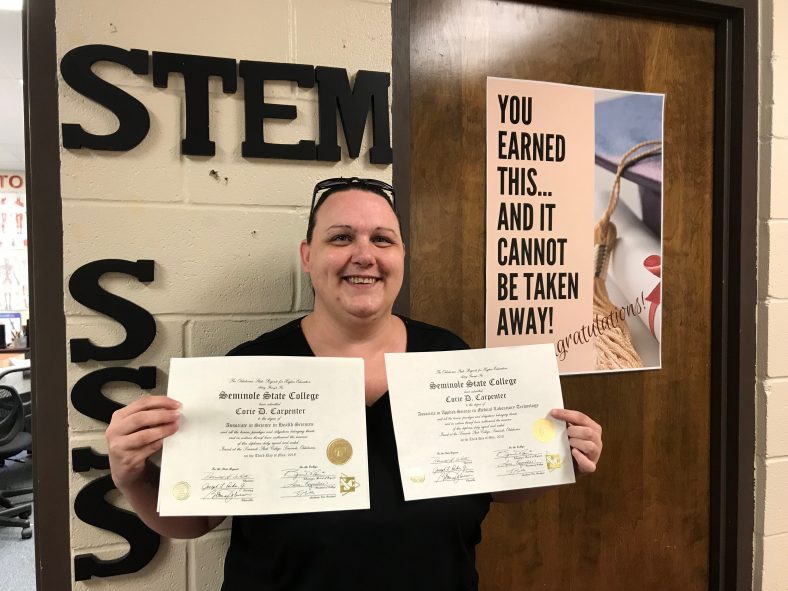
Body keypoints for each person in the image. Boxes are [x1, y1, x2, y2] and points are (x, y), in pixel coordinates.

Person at [106, 177, 603, 590]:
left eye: (382, 239)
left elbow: (495, 489)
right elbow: (194, 523)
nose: (363, 255)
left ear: (401, 256)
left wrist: (556, 460)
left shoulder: (450, 357)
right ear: (307, 255)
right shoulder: (252, 369)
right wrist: (132, 474)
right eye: (341, 238)